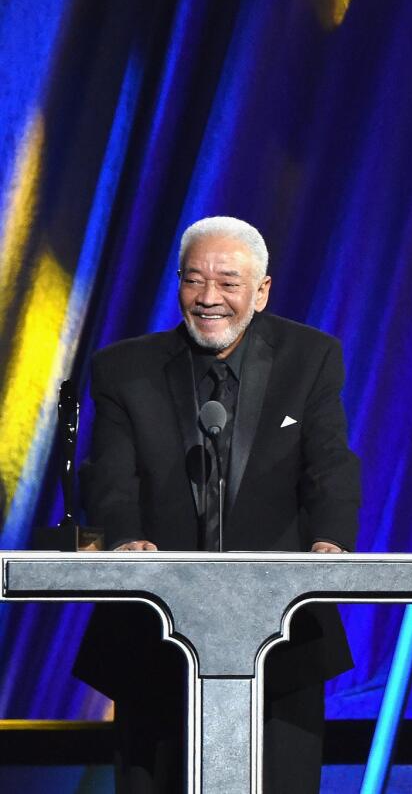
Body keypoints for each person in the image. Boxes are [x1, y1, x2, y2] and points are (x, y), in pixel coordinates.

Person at [72, 216, 361, 793]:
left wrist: (329, 546)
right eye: (194, 280)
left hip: (281, 643)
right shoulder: (123, 368)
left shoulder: (311, 357)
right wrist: (127, 540)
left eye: (228, 283)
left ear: (261, 291)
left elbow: (328, 462)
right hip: (155, 639)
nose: (209, 299)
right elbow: (110, 477)